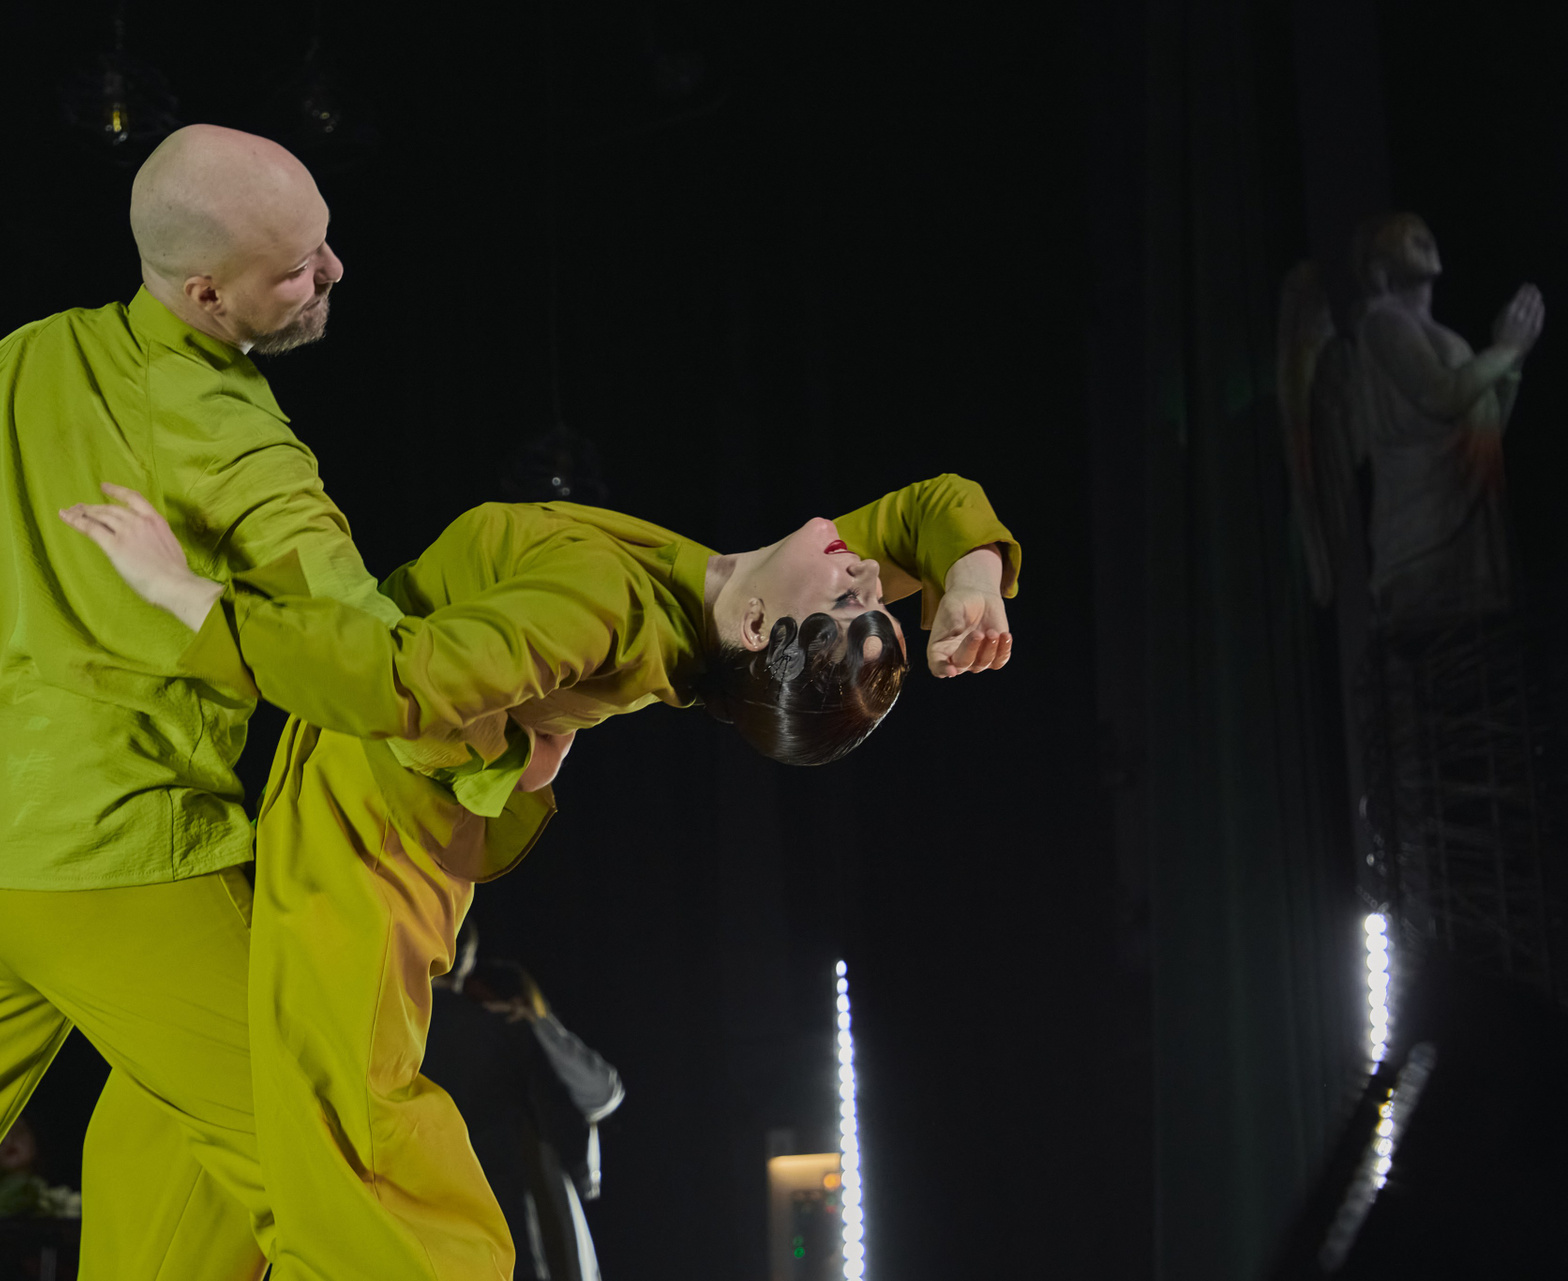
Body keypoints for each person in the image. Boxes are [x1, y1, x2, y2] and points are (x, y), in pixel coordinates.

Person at [0, 122, 547, 1281]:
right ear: (207, 294)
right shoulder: (236, 437)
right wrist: (510, 742)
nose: (335, 272)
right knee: (340, 1183)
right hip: (127, 868)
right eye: (301, 267)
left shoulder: (20, 363)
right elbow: (369, 658)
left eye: (326, 243)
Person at [61, 472, 1018, 1278]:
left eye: (851, 600)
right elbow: (926, 512)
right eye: (869, 595)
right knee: (192, 1104)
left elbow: (401, 683)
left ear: (762, 626)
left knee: (356, 1160)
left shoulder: (607, 604)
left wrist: (183, 594)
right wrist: (973, 581)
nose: (866, 576)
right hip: (360, 802)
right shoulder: (724, 591)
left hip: (372, 847)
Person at [425, 932, 624, 1281]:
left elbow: (600, 1091)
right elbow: (600, 1095)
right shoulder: (503, 1037)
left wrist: (534, 1024)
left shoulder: (397, 1032)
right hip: (514, 1215)